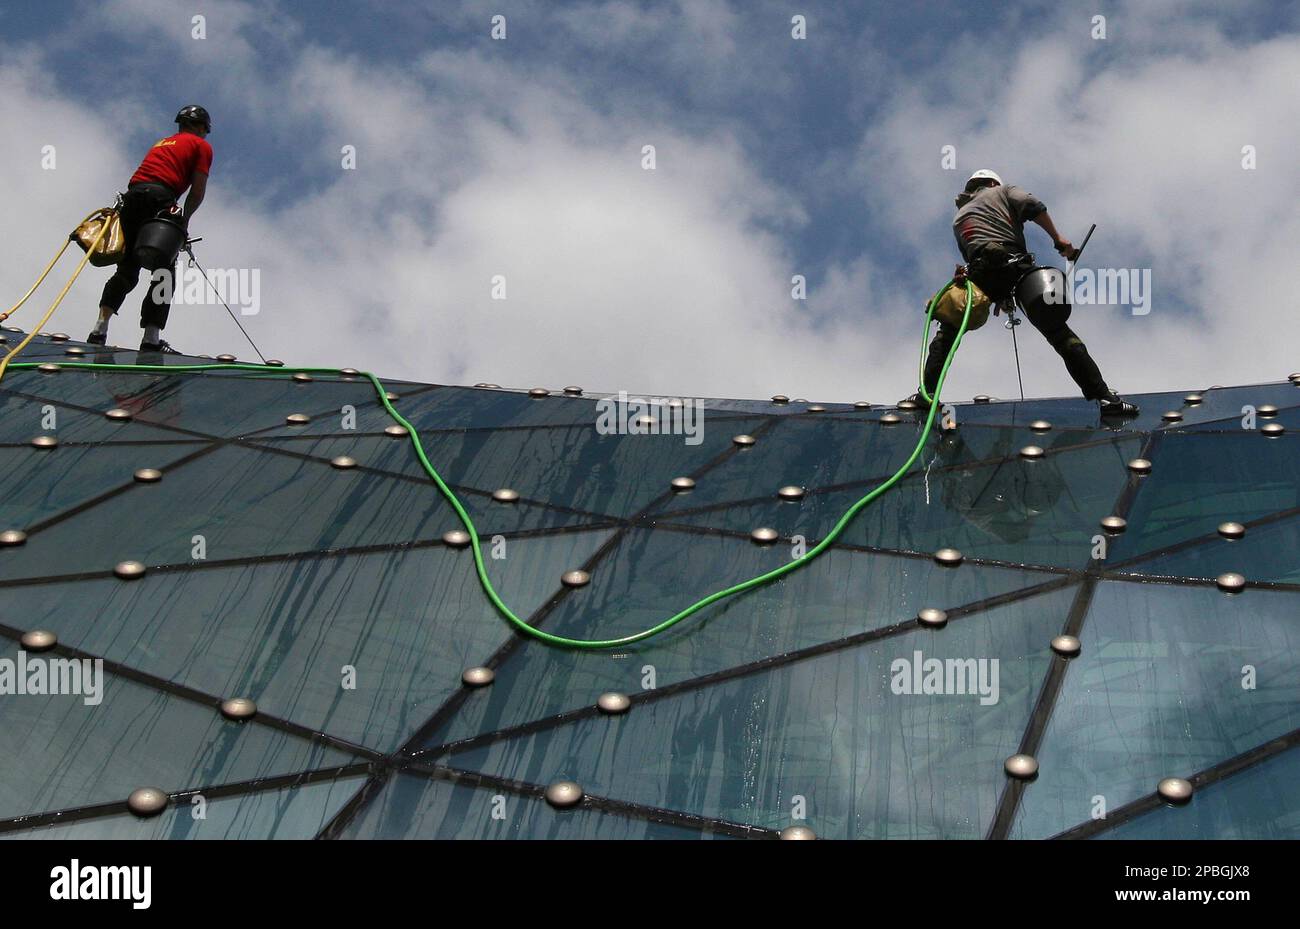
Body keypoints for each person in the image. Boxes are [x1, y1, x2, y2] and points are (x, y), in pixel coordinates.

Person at [905, 169, 1138, 416]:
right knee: (1058, 331)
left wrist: (1001, 296)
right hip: (1013, 263)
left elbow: (975, 256)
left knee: (949, 332)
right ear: (993, 182)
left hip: (979, 272)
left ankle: (926, 393)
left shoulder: (959, 218)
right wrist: (1060, 241)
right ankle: (1105, 399)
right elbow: (1032, 206)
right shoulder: (1002, 191)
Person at [89, 105, 213, 353]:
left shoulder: (162, 143)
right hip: (160, 199)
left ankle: (99, 328)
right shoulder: (202, 146)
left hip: (132, 199)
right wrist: (183, 222)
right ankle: (151, 337)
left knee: (126, 268)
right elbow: (197, 191)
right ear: (202, 127)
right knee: (164, 271)